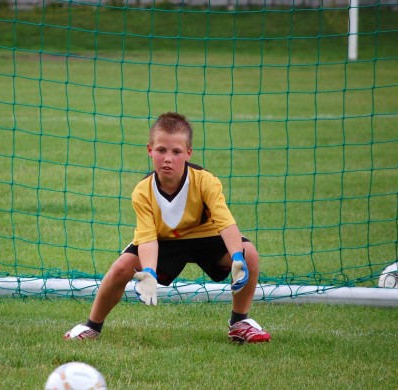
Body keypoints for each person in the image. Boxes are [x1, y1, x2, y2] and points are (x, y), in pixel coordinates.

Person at [65, 112, 271, 343]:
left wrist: (236, 257)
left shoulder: (205, 181)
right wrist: (150, 273)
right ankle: (92, 326)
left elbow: (225, 222)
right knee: (122, 266)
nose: (168, 158)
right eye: (161, 150)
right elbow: (148, 238)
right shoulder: (143, 192)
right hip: (164, 242)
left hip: (207, 238)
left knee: (249, 254)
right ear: (150, 150)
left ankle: (239, 322)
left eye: (176, 152)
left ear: (188, 153)